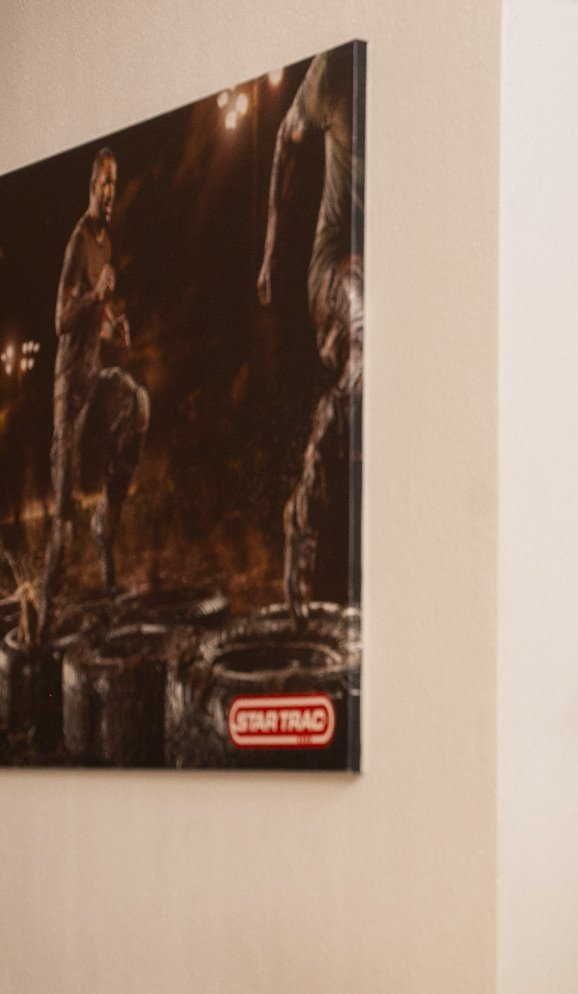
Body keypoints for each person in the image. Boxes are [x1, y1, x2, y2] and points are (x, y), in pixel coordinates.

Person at [259, 45, 363, 616]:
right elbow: (283, 140)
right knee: (367, 338)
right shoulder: (333, 72)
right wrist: (272, 250)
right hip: (336, 266)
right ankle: (300, 517)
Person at [39, 146, 150, 621]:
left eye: (115, 183)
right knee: (62, 518)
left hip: (95, 381)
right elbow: (61, 319)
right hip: (69, 387)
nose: (110, 192)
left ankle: (108, 521)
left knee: (137, 403)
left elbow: (95, 323)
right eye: (104, 183)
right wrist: (93, 297)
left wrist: (115, 326)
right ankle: (42, 609)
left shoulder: (108, 241)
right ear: (91, 186)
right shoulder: (78, 240)